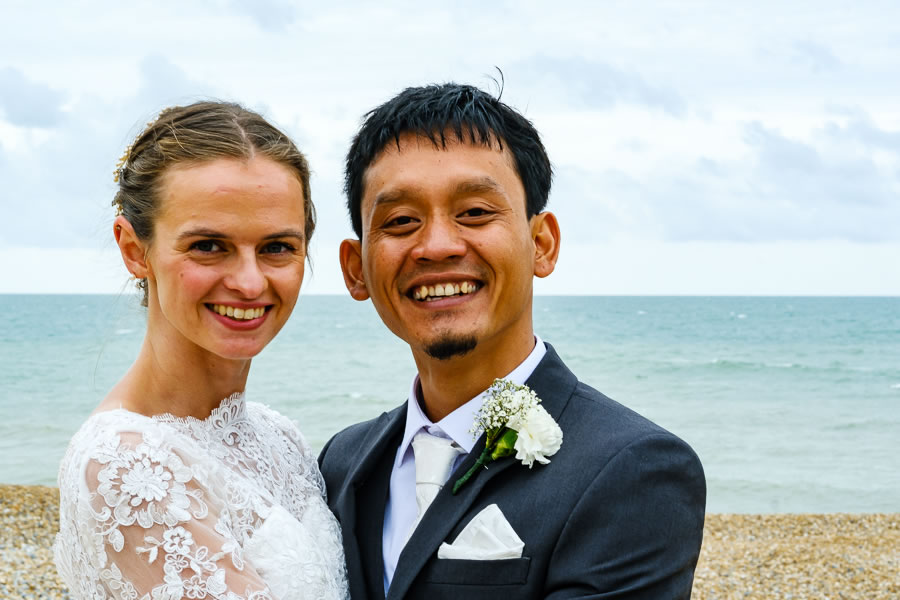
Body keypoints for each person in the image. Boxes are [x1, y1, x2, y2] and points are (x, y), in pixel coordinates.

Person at [319, 83, 706, 599]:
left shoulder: (635, 470)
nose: (437, 246)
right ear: (355, 269)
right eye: (402, 221)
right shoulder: (341, 462)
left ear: (542, 244)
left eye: (475, 212)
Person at [54, 101, 349, 600]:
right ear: (134, 250)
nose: (250, 283)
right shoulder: (124, 463)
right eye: (209, 246)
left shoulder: (280, 439)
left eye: (277, 247)